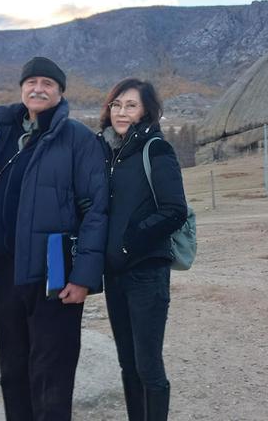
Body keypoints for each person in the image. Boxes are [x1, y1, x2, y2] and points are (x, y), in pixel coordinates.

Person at [0, 56, 108, 421]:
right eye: (32, 82)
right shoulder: (5, 134)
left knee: (51, 374)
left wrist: (84, 277)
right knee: (12, 370)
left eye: (48, 83)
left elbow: (96, 209)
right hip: (5, 269)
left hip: (55, 273)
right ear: (21, 88)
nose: (38, 88)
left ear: (60, 93)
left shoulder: (77, 138)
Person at [97, 78, 188, 421]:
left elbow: (174, 210)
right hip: (116, 275)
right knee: (127, 364)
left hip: (146, 274)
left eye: (130, 105)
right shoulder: (109, 152)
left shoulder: (156, 149)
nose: (121, 111)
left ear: (146, 110)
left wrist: (129, 242)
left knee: (148, 366)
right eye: (116, 104)